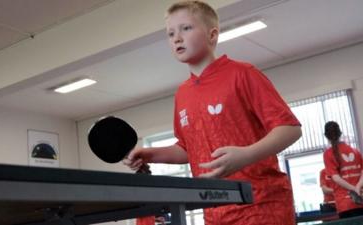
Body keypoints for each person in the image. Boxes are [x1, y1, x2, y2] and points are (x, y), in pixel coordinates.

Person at [123, 1, 302, 225]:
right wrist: (149, 154)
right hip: (213, 208)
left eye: (186, 28)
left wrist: (246, 155)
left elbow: (290, 129)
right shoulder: (182, 93)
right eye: (170, 33)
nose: (176, 38)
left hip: (260, 204)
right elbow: (188, 149)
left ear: (212, 34)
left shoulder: (243, 74)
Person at [323, 121, 363, 218]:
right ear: (340, 133)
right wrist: (358, 187)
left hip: (345, 203)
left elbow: (336, 178)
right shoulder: (355, 151)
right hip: (360, 198)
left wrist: (354, 188)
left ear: (326, 136)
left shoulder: (328, 154)